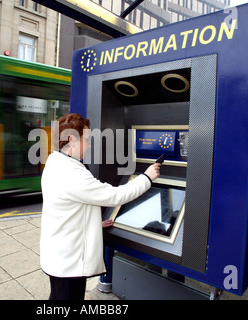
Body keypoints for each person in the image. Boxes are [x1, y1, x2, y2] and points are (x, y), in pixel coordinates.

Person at [40, 113, 161, 300]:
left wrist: (93, 224)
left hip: (59, 257)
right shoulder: (71, 173)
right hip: (69, 264)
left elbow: (73, 207)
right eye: (87, 140)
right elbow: (115, 196)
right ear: (72, 140)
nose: (89, 145)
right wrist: (146, 178)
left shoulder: (54, 162)